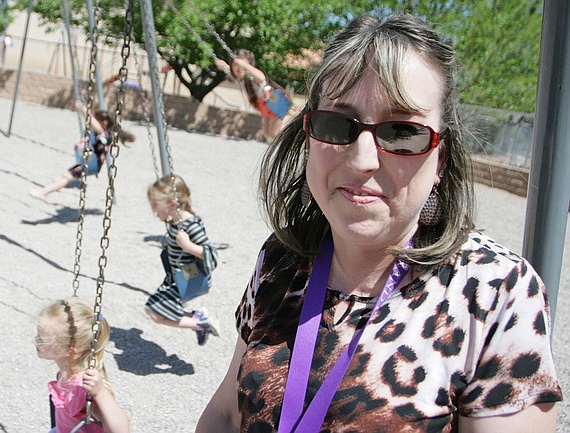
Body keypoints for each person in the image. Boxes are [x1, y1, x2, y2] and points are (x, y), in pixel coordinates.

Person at [197, 13, 562, 433]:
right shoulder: (282, 257)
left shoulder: (496, 291)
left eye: (402, 132)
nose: (362, 159)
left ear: (441, 158)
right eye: (337, 124)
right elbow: (226, 413)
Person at [144, 175, 220, 346]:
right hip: (177, 278)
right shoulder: (177, 221)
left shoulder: (191, 225)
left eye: (156, 206)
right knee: (154, 311)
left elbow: (212, 254)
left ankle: (201, 322)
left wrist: (188, 246)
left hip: (187, 279)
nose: (154, 212)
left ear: (172, 204)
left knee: (154, 311)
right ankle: (199, 320)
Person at [35, 297, 130, 433]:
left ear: (69, 350)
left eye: (42, 339)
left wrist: (101, 393)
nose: (34, 341)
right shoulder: (67, 372)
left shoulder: (83, 388)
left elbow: (121, 431)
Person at [30, 104, 133, 201]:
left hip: (92, 164)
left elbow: (92, 121)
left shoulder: (104, 134)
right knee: (63, 175)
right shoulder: (106, 132)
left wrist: (83, 108)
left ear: (104, 122)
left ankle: (44, 193)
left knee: (67, 176)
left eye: (97, 121)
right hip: (90, 161)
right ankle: (50, 187)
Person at [215, 49, 294, 143]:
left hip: (275, 99)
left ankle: (292, 121)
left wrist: (243, 65)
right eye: (236, 65)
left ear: (249, 65)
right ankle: (291, 121)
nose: (239, 67)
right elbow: (230, 71)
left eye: (243, 65)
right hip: (266, 104)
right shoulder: (241, 79)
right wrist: (223, 66)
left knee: (274, 132)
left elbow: (262, 78)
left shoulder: (252, 76)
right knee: (267, 133)